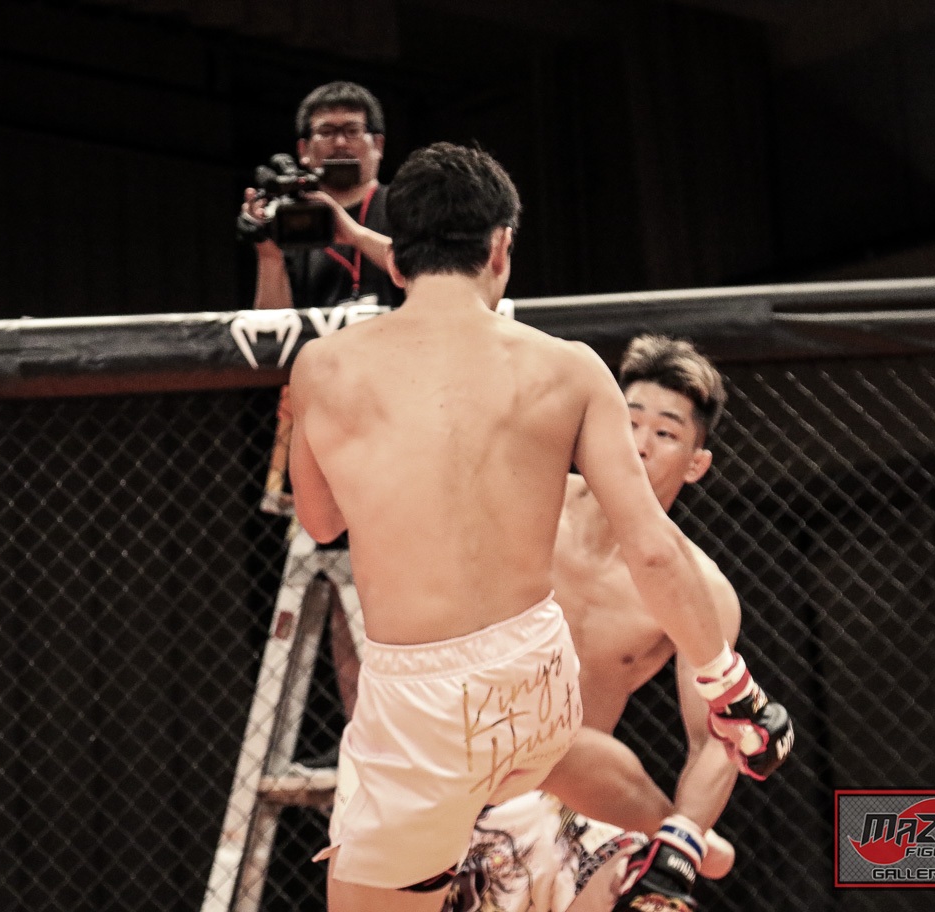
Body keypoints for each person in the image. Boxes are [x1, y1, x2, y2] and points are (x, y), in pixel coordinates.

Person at [286, 142, 783, 912]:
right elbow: (654, 549)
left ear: (398, 259)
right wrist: (736, 690)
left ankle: (665, 842)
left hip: (417, 706)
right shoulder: (570, 367)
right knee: (554, 755)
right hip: (537, 688)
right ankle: (665, 845)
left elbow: (319, 522)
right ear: (501, 249)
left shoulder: (323, 367)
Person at [444, 335, 783, 912]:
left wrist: (685, 836)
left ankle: (674, 839)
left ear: (696, 464)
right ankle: (670, 829)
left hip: (572, 804)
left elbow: (717, 737)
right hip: (458, 764)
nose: (639, 445)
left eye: (665, 434)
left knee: (631, 858)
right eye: (629, 422)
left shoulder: (700, 590)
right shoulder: (530, 502)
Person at [241, 80, 403, 311]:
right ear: (303, 150)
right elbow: (273, 326)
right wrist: (269, 254)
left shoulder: (407, 205)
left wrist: (355, 234)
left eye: (352, 131)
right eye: (326, 132)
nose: (340, 143)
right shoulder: (287, 220)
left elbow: (432, 276)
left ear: (378, 145)